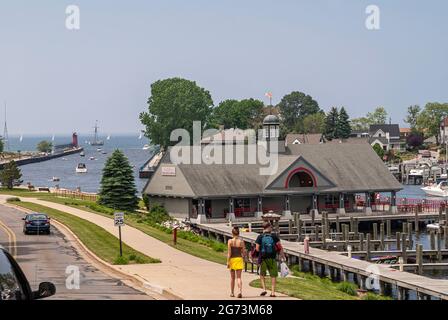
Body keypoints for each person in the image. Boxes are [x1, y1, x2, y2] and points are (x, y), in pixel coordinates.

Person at [255, 221, 285, 297]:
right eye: (271, 227)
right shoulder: (274, 236)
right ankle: (273, 292)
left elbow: (257, 249)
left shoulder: (260, 237)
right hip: (272, 258)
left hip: (263, 258)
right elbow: (280, 247)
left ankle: (264, 289)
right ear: (269, 227)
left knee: (262, 274)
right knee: (273, 275)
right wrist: (282, 256)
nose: (271, 228)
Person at [227, 226, 246, 298]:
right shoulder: (241, 241)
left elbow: (229, 253)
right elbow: (243, 252)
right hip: (239, 259)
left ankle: (232, 292)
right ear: (239, 233)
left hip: (232, 260)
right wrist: (243, 257)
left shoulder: (230, 241)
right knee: (239, 277)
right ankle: (240, 291)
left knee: (232, 278)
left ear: (232, 233)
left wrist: (228, 262)